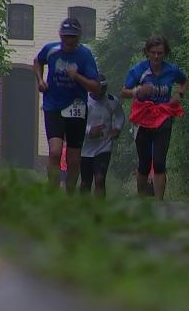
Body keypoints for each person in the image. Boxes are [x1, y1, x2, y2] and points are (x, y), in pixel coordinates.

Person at [34, 17, 100, 193]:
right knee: (55, 151)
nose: (68, 41)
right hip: (53, 104)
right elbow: (37, 61)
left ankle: (70, 192)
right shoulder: (51, 50)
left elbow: (96, 86)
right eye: (65, 37)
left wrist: (77, 76)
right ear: (60, 36)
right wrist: (40, 80)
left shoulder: (85, 55)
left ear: (78, 38)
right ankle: (53, 192)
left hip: (76, 107)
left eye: (72, 37)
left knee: (73, 159)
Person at [121, 36, 188, 200]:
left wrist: (179, 94)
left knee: (159, 162)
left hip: (163, 116)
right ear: (147, 53)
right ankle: (142, 199)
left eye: (160, 53)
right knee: (144, 163)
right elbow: (124, 92)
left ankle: (159, 203)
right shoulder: (139, 70)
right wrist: (138, 91)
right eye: (153, 53)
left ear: (165, 53)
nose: (157, 57)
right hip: (143, 117)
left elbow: (184, 81)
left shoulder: (171, 70)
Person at [80, 74, 125, 199]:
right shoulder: (83, 101)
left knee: (100, 179)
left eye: (103, 89)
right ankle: (83, 209)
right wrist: (89, 131)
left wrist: (117, 129)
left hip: (104, 146)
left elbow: (120, 115)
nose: (100, 93)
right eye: (97, 89)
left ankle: (99, 211)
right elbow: (76, 123)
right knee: (85, 182)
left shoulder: (111, 101)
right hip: (85, 148)